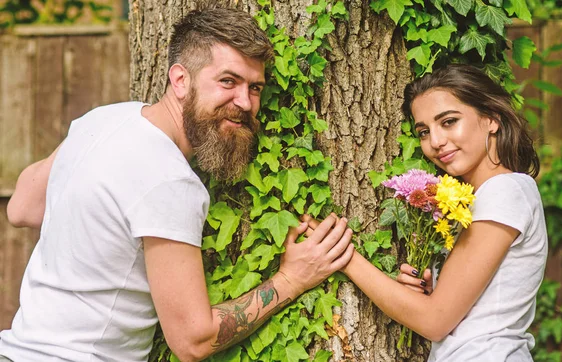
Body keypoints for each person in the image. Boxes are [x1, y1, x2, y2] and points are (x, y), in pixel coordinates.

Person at [0, 8, 354, 362]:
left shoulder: (104, 119)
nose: (245, 103)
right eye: (228, 81)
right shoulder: (169, 179)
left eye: (255, 87)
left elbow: (22, 207)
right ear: (180, 80)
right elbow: (192, 340)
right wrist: (291, 280)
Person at [305, 64, 547, 361]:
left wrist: (343, 255)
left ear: (491, 119)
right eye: (423, 131)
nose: (435, 142)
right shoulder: (476, 200)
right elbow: (464, 312)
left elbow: (435, 321)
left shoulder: (505, 190)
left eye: (448, 122)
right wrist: (429, 292)